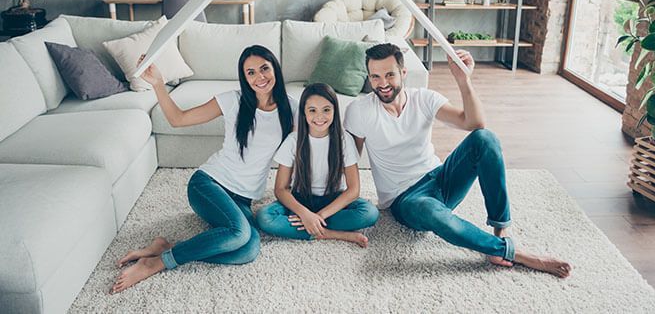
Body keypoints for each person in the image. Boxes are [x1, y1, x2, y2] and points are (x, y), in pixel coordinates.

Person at [343, 43, 571, 278]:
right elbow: (348, 160)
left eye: (390, 74)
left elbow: (474, 123)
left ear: (403, 72)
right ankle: (511, 253)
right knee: (432, 212)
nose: (383, 84)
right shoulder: (360, 111)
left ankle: (500, 231)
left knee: (485, 138)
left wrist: (464, 80)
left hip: (440, 178)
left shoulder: (424, 98)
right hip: (407, 199)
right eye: (376, 77)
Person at [111, 45, 297, 294]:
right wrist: (158, 84)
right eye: (250, 72)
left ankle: (167, 247)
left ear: (275, 68)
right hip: (208, 184)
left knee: (248, 250)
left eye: (264, 68)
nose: (259, 77)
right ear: (244, 77)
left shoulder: (292, 109)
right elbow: (178, 119)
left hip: (242, 197)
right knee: (239, 233)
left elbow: (304, 153)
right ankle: (156, 263)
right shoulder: (233, 100)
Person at [256, 83, 379, 247]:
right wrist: (305, 214)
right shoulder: (293, 141)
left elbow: (353, 190)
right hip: (301, 199)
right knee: (265, 217)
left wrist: (318, 216)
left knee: (369, 213)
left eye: (326, 110)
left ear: (335, 111)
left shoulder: (344, 140)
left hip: (334, 200)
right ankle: (331, 234)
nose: (319, 116)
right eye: (312, 110)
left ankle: (313, 227)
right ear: (304, 113)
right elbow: (280, 189)